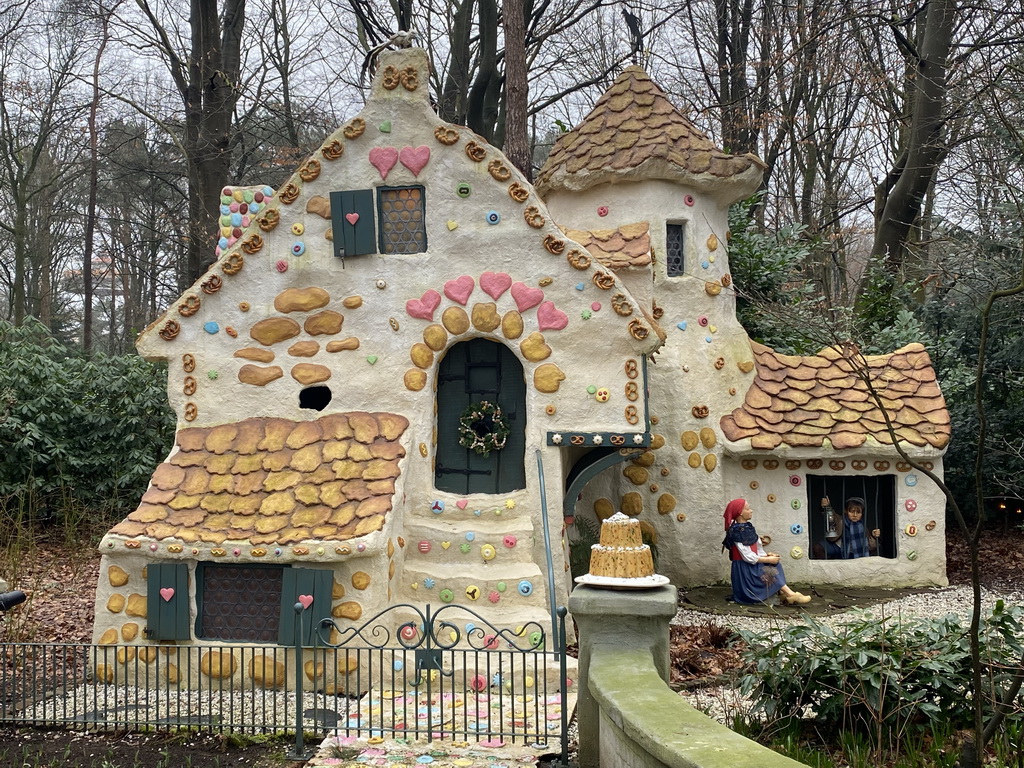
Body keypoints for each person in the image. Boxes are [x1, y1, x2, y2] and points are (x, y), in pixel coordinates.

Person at [722, 498, 811, 605]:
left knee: (775, 565)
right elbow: (747, 556)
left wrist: (767, 556)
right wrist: (767, 559)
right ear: (740, 513)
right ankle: (791, 595)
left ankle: (781, 592)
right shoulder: (737, 532)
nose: (751, 511)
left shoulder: (748, 528)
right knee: (767, 570)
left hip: (751, 563)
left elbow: (757, 547)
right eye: (748, 509)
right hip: (744, 568)